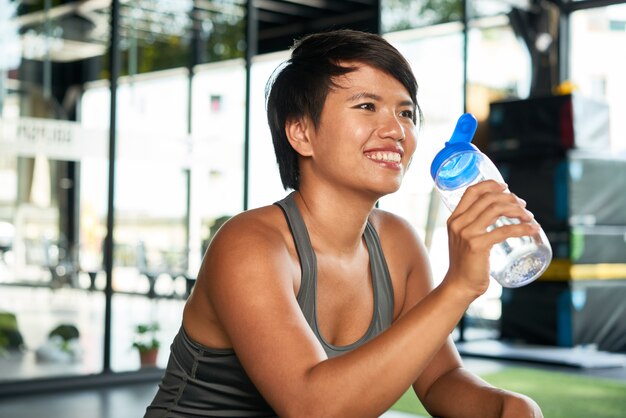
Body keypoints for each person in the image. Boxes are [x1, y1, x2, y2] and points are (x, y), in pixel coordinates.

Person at [144, 29, 544, 418]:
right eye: (367, 106)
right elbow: (311, 407)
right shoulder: (249, 244)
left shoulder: (397, 243)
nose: (396, 131)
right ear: (302, 133)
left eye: (405, 112)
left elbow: (441, 378)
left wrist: (504, 406)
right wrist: (458, 286)